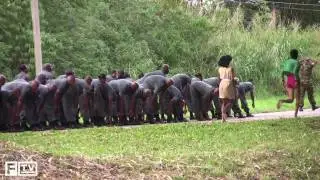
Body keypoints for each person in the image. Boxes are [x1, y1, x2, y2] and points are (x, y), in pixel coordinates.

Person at [218, 55, 236, 122]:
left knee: (224, 101)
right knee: (231, 100)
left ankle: (223, 118)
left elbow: (219, 78)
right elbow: (233, 79)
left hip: (221, 84)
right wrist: (235, 86)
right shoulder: (231, 69)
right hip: (228, 83)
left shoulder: (220, 69)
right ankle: (224, 112)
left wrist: (219, 86)